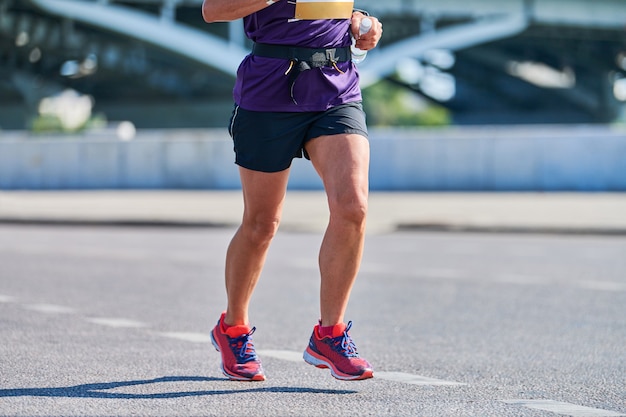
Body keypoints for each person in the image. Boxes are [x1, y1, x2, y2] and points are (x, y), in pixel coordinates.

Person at [201, 0, 383, 382]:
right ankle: (232, 328)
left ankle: (329, 334)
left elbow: (339, 9)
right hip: (268, 92)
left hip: (336, 87)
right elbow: (213, 10)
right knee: (261, 224)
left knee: (354, 208)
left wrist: (362, 22)